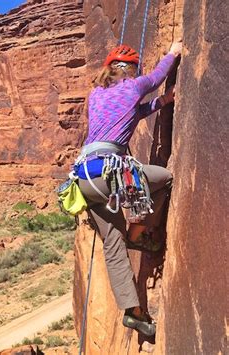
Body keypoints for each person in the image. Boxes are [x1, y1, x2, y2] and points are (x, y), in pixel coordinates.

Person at [76, 42, 182, 336]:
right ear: (129, 70)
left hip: (85, 178)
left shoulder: (95, 95)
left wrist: (162, 103)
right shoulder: (133, 86)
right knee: (165, 178)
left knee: (112, 243)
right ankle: (138, 232)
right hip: (110, 173)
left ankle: (133, 312)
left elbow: (127, 115)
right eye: (134, 69)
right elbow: (158, 77)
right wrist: (173, 53)